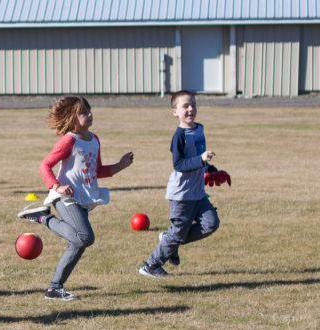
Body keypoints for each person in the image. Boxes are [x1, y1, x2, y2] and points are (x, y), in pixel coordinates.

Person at [17, 96, 134, 300]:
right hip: (65, 198)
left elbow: (96, 170)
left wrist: (120, 165)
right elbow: (45, 165)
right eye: (83, 112)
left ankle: (55, 288)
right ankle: (43, 218)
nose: (89, 114)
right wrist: (57, 186)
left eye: (89, 110)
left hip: (83, 198)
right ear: (72, 119)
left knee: (78, 242)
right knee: (86, 238)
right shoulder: (69, 140)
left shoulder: (94, 139)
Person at [136, 90, 220, 278]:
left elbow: (199, 157)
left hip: (197, 192)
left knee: (211, 223)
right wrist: (201, 159)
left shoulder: (200, 129)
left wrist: (211, 170)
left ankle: (169, 240)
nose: (191, 109)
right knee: (178, 234)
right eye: (185, 106)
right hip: (181, 195)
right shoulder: (179, 136)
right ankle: (151, 265)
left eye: (193, 105)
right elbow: (179, 164)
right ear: (175, 112)